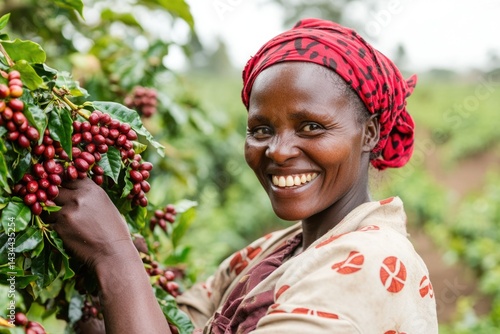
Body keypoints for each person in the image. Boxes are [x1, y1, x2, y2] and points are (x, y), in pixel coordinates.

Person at [49, 18, 438, 333]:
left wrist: (116, 258)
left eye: (311, 127)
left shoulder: (370, 264)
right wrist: (99, 289)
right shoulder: (273, 251)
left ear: (369, 133)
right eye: (261, 130)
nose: (278, 151)